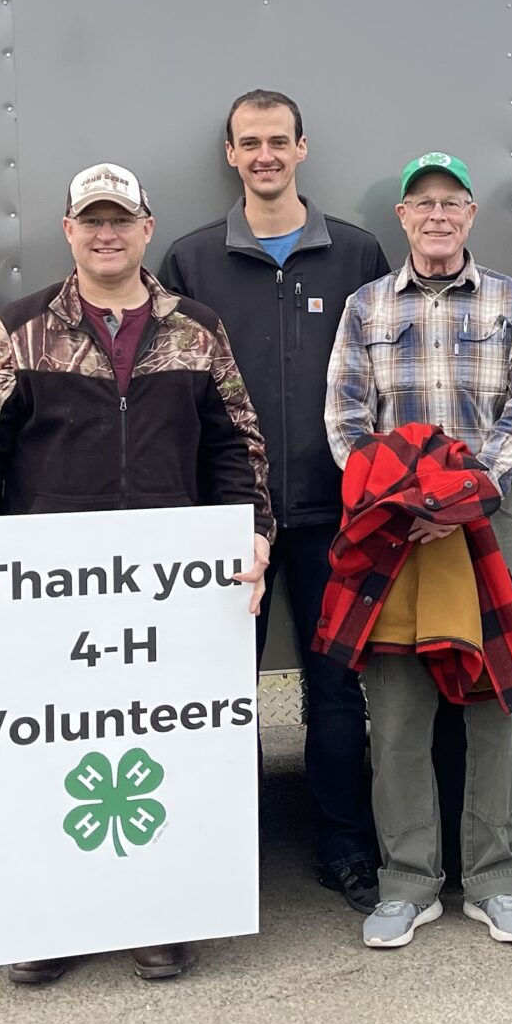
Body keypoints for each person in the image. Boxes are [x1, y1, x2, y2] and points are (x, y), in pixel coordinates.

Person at [0, 163, 270, 987]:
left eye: (121, 218)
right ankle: (50, 920)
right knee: (56, 753)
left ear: (147, 228)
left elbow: (239, 445)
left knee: (164, 748)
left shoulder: (197, 329)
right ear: (68, 230)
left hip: (172, 596)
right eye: (92, 219)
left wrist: (254, 535)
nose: (106, 232)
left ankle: (159, 917)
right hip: (53, 595)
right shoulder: (16, 330)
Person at [159, 89, 391, 913]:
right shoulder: (190, 261)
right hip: (230, 515)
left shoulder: (357, 254)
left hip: (336, 512)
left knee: (334, 687)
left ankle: (344, 848)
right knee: (225, 690)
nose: (264, 155)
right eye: (249, 142)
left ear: (302, 148)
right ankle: (226, 853)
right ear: (230, 154)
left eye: (278, 141)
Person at [325, 151, 512, 950]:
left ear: (471, 214)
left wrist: (459, 500)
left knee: (497, 709)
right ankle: (408, 884)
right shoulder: (365, 308)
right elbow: (347, 423)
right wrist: (404, 504)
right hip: (394, 532)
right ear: (403, 218)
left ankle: (497, 881)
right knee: (396, 715)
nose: (437, 216)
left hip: (490, 523)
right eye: (422, 203)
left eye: (451, 202)